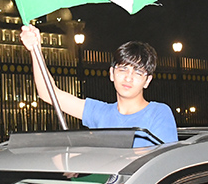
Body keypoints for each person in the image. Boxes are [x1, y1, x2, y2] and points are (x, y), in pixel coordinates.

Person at [19, 24, 176, 148]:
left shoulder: (159, 113)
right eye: (123, 69)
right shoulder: (100, 112)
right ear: (111, 73)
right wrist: (35, 50)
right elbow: (49, 94)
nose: (128, 77)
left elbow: (163, 161)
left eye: (138, 72)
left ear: (147, 81)